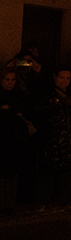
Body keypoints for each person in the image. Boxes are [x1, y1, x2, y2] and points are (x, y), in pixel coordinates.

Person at [33, 67, 71, 207]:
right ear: (55, 77)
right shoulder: (46, 93)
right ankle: (43, 200)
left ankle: (65, 198)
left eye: (67, 78)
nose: (64, 81)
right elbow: (39, 111)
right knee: (48, 172)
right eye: (62, 78)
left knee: (67, 171)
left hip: (68, 138)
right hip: (51, 138)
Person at [0, 67, 32, 214]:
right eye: (7, 79)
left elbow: (22, 111)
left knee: (12, 172)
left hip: (14, 140)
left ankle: (9, 204)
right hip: (3, 138)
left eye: (13, 79)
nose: (10, 83)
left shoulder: (18, 95)